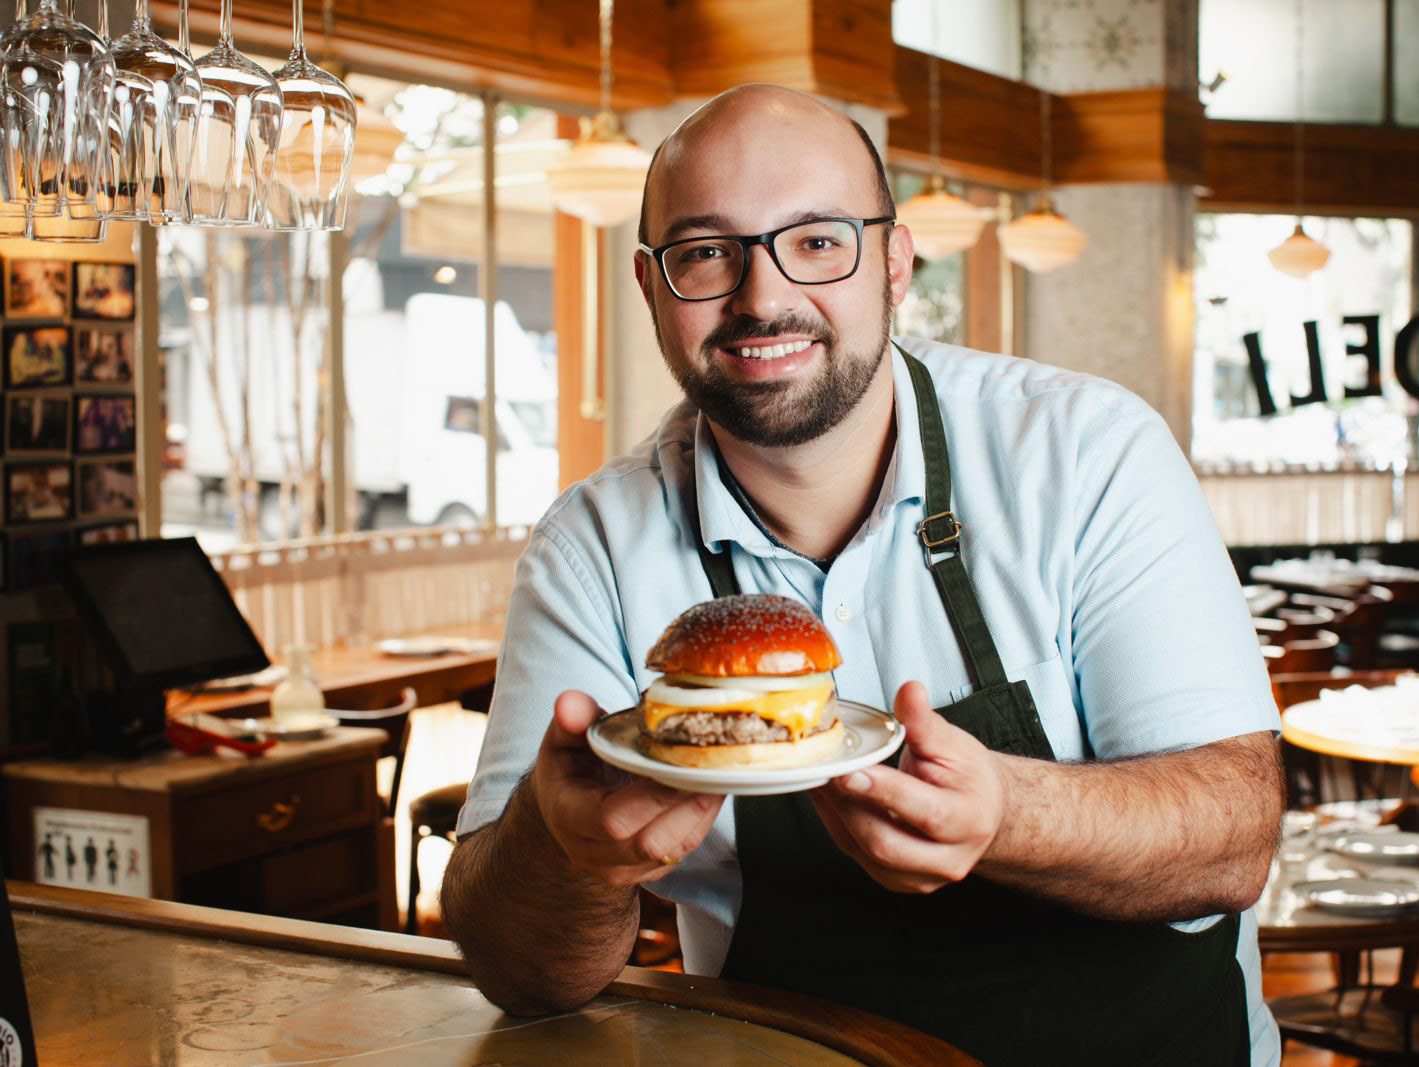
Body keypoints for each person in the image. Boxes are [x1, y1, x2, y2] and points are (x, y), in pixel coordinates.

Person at [442, 85, 1284, 1066]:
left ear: (893, 260)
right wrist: (563, 846)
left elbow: (1234, 832)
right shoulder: (591, 544)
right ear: (650, 286)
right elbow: (515, 968)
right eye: (707, 251)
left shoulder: (1086, 451)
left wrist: (1007, 815)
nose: (761, 297)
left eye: (817, 240)